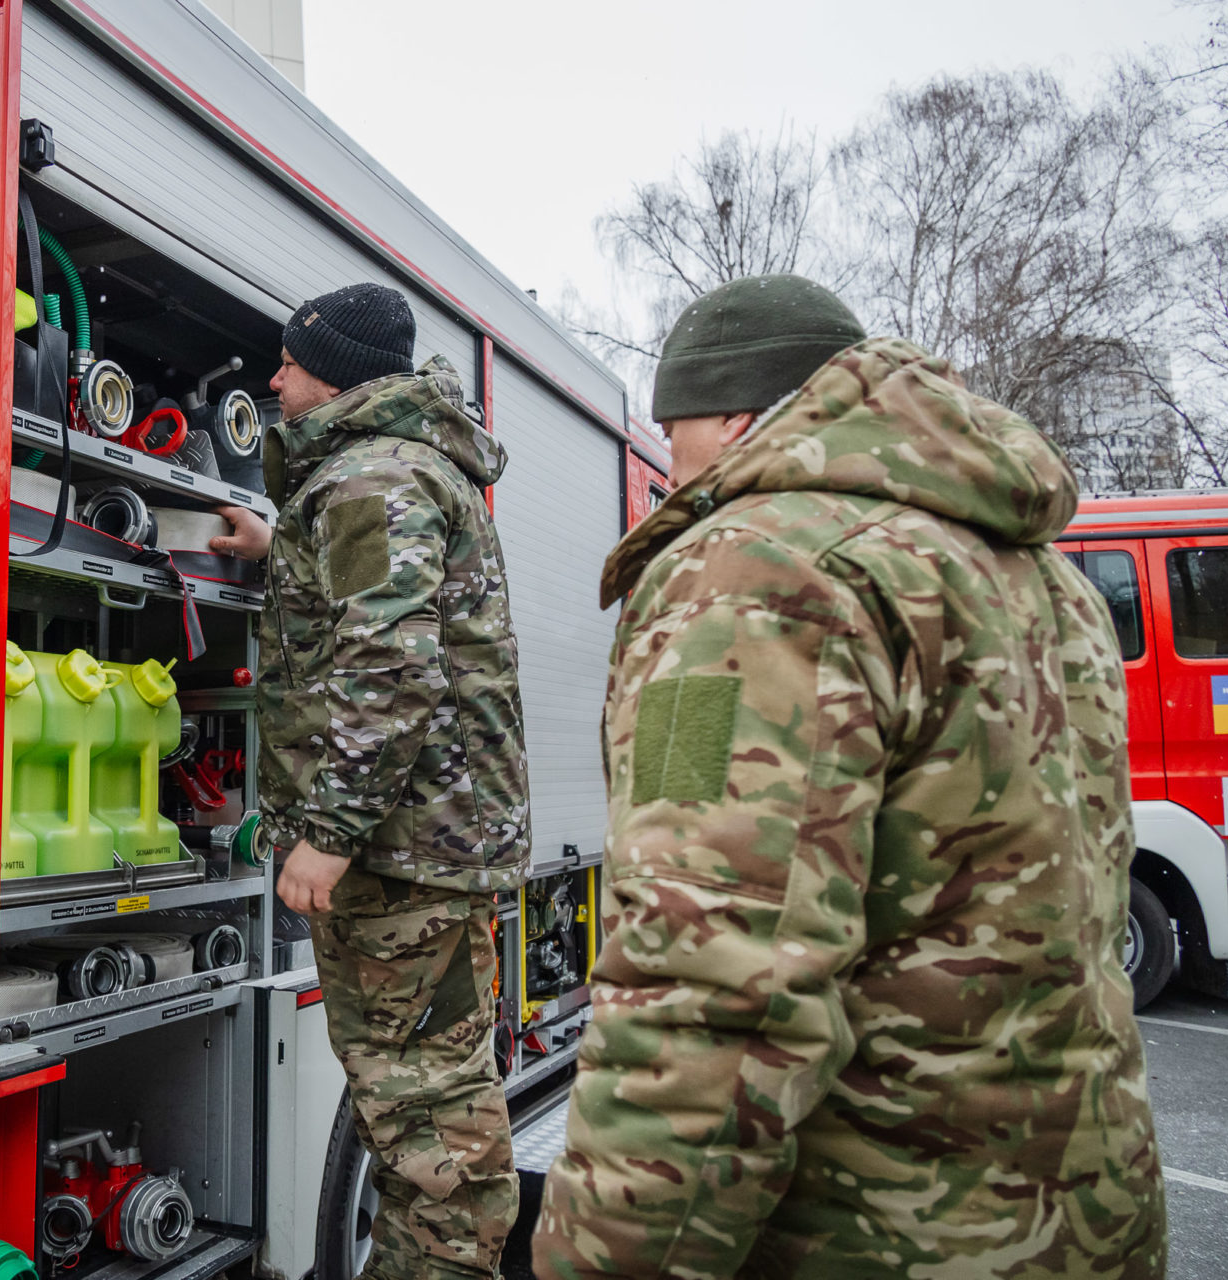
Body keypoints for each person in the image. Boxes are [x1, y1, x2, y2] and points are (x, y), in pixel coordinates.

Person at [532, 274, 1167, 1279]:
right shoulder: (1040, 576)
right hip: (1085, 1214)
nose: (669, 463)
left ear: (733, 410)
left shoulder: (760, 573)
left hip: (876, 1230)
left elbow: (715, 982)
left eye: (674, 430)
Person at [211, 282, 530, 1280]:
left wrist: (331, 834)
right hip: (425, 848)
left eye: (290, 361)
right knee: (425, 1112)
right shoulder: (384, 474)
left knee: (426, 1123)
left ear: (340, 373)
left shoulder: (370, 481)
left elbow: (390, 667)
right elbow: (374, 606)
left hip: (399, 859)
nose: (274, 376)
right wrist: (284, 551)